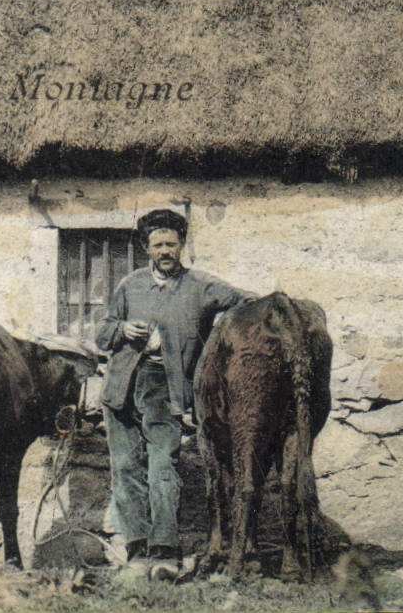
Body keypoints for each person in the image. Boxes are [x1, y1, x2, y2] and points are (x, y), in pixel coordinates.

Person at [96, 208, 247, 581]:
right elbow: (102, 334)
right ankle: (136, 548)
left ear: (182, 246)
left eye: (171, 244)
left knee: (164, 466)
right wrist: (122, 329)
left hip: (165, 387)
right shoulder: (130, 285)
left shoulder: (201, 286)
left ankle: (165, 551)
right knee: (126, 468)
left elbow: (245, 302)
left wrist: (214, 345)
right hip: (120, 387)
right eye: (158, 244)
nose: (165, 250)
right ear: (147, 248)